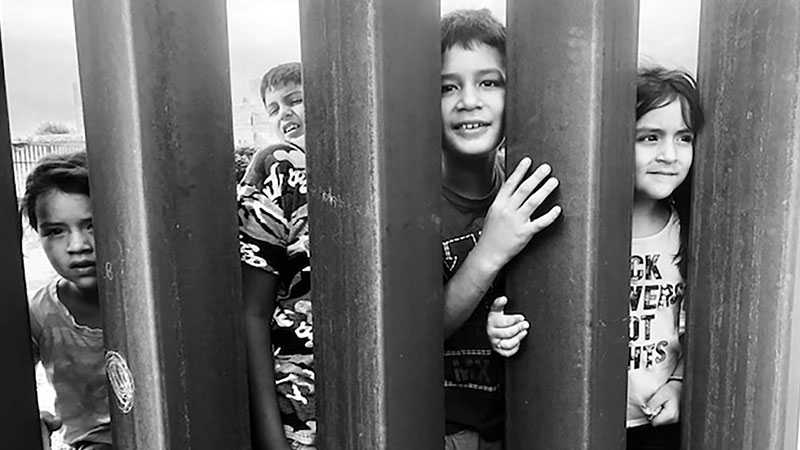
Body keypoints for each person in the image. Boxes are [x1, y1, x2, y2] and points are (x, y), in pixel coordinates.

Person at [487, 66, 704, 450]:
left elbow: (696, 324)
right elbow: (524, 304)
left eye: (683, 138)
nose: (669, 155)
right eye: (649, 137)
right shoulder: (574, 229)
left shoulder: (690, 229)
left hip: (657, 424)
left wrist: (680, 383)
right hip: (577, 424)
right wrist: (500, 327)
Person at [440, 9, 562, 449]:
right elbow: (410, 330)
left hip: (515, 424)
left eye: (489, 82)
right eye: (447, 86)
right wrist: (489, 253)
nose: (469, 100)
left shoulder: (525, 183)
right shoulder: (407, 200)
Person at [238, 61, 314, 450]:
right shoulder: (276, 167)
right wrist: (272, 439)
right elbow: (251, 311)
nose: (285, 113)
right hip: (299, 414)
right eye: (274, 108)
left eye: (296, 100)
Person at [21, 151, 112, 450]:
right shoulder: (41, 314)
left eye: (92, 225)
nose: (78, 246)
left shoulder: (160, 304)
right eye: (56, 231)